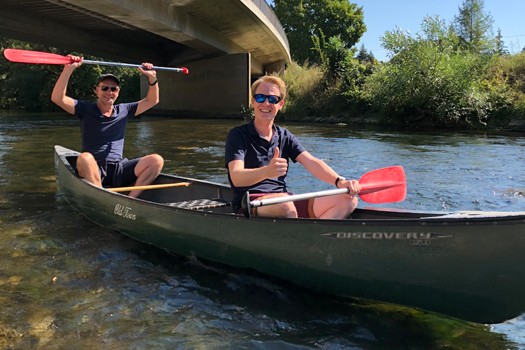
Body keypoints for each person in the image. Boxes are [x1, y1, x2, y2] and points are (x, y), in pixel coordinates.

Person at [225, 75, 360, 219]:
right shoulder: (237, 135)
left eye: (272, 99)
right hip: (251, 202)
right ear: (252, 102)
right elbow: (237, 177)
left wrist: (340, 181)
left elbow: (311, 162)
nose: (266, 103)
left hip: (284, 199)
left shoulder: (285, 136)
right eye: (260, 98)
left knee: (348, 200)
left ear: (280, 104)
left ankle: (313, 237)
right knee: (286, 206)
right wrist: (266, 172)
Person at [51, 55, 164, 198]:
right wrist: (68, 69)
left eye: (113, 89)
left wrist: (152, 78)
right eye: (105, 88)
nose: (109, 92)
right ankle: (102, 199)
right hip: (94, 169)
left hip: (119, 169)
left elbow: (152, 100)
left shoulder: (124, 110)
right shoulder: (85, 109)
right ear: (96, 91)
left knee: (156, 160)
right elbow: (57, 98)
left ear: (118, 92)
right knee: (84, 158)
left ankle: (131, 200)